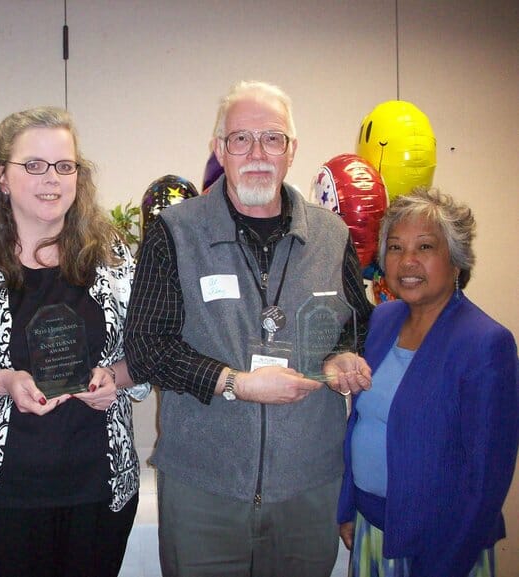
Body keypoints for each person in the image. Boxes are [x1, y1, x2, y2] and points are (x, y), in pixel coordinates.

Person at [124, 80, 373, 577]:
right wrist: (234, 383)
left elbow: (358, 324)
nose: (257, 152)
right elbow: (147, 346)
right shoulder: (174, 232)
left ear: (292, 150)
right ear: (220, 148)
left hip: (308, 489)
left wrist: (344, 353)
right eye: (241, 139)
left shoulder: (332, 235)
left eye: (273, 138)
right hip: (204, 490)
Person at [0, 106, 149, 577]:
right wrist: (4, 381)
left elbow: (143, 355)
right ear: (2, 176)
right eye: (33, 165)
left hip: (97, 495)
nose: (50, 178)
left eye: (64, 165)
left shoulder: (112, 256)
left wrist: (112, 378)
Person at [325, 187, 519, 577]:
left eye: (425, 247)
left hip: (440, 546)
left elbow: (485, 482)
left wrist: (447, 563)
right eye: (395, 248)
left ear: (457, 260)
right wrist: (350, 508)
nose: (407, 261)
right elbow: (362, 423)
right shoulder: (383, 320)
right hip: (370, 527)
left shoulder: (485, 343)